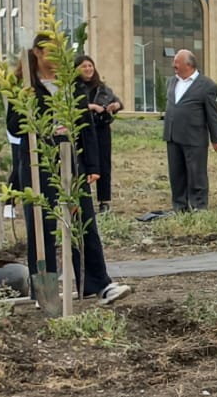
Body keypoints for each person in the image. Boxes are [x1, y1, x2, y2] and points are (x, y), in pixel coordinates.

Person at [8, 38, 130, 303]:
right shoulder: (26, 85)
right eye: (50, 52)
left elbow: (85, 124)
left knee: (83, 222)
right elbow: (13, 128)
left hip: (71, 160)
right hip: (38, 161)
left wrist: (93, 165)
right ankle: (46, 293)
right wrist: (25, 103)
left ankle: (97, 284)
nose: (55, 57)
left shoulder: (71, 84)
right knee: (42, 225)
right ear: (37, 53)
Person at [163, 49, 217, 212]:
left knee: (196, 174)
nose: (173, 65)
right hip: (172, 136)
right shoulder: (171, 82)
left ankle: (199, 206)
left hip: (194, 138)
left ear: (188, 65)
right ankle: (180, 206)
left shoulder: (207, 85)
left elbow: (212, 114)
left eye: (177, 62)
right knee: (176, 174)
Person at [74, 57, 123, 210]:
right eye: (84, 66)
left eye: (90, 65)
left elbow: (118, 102)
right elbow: (74, 106)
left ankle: (104, 200)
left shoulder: (102, 88)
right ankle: (82, 198)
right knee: (81, 163)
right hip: (82, 130)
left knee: (103, 164)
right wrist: (92, 107)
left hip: (101, 128)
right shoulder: (74, 88)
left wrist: (115, 105)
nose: (88, 69)